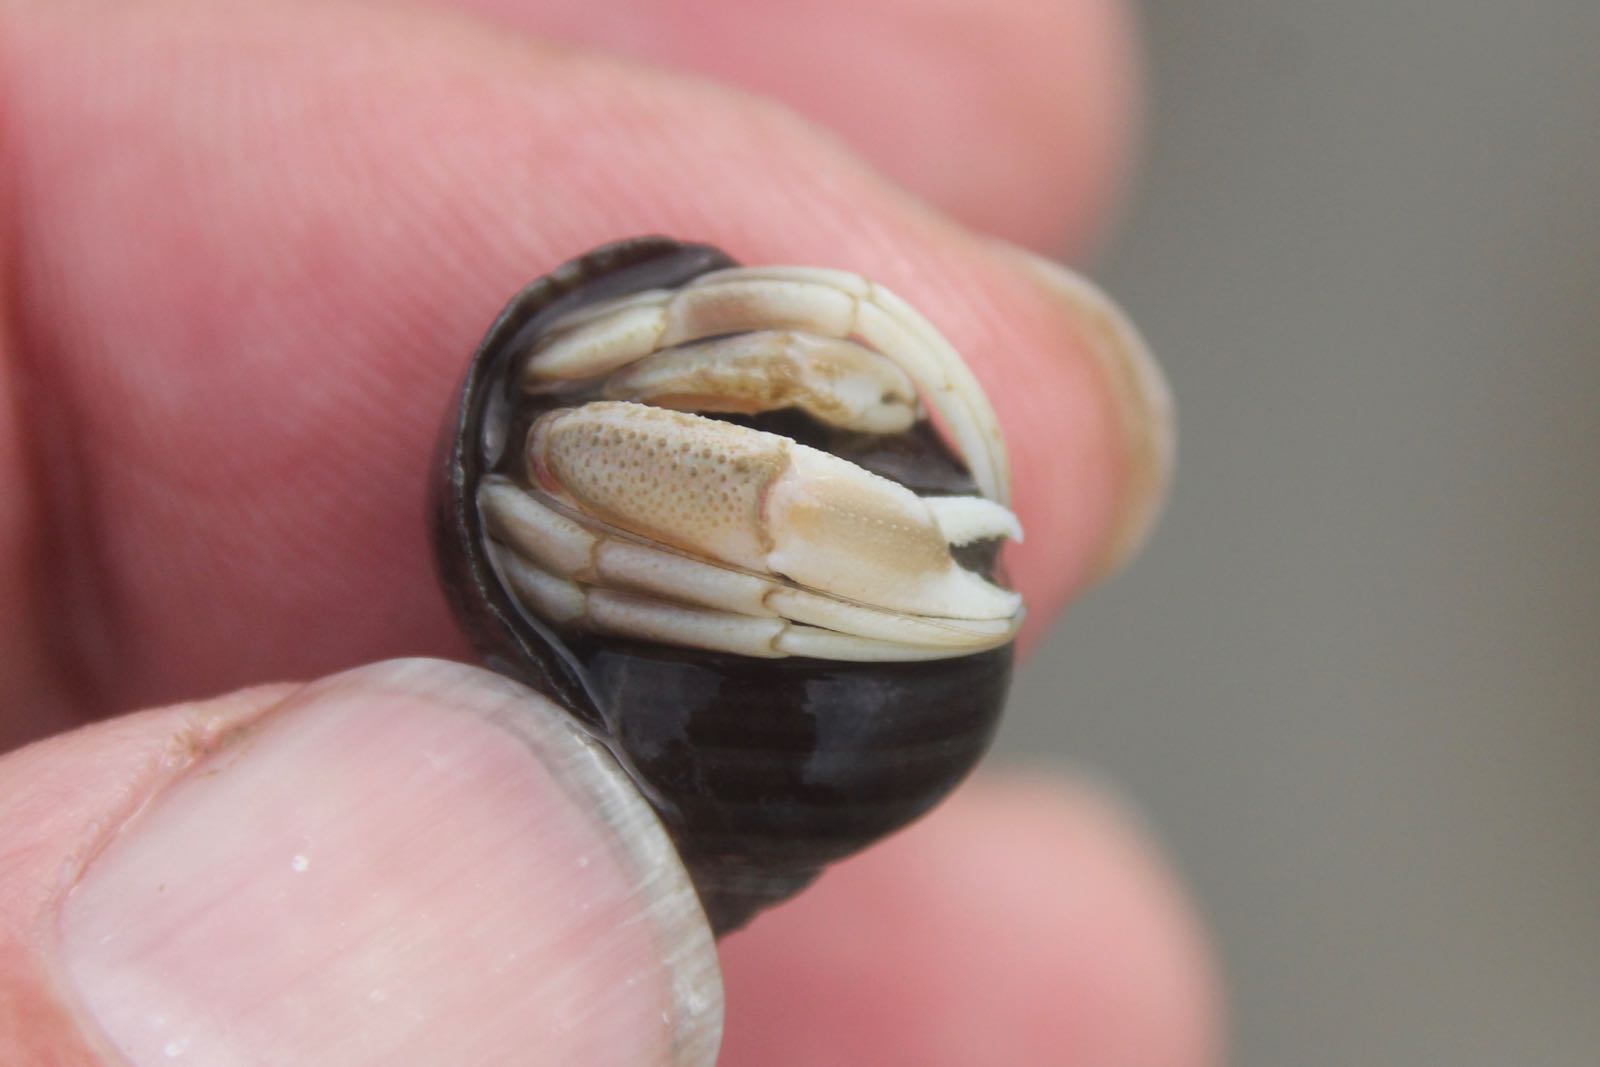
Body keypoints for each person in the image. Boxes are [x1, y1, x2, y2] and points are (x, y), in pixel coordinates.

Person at [0, 1, 1219, 1063]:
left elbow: (745, 358)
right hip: (650, 570)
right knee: (576, 452)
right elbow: (610, 488)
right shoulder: (554, 473)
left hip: (719, 593)